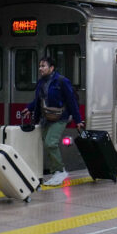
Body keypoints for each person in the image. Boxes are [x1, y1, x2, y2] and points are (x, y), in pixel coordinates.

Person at [21, 56, 84, 186]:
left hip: (60, 117)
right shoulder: (41, 82)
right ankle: (55, 172)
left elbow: (71, 101)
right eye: (39, 66)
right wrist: (29, 108)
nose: (40, 69)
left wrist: (78, 120)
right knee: (47, 145)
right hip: (45, 118)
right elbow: (38, 100)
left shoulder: (61, 81)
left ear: (51, 68)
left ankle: (60, 171)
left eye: (43, 66)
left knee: (51, 143)